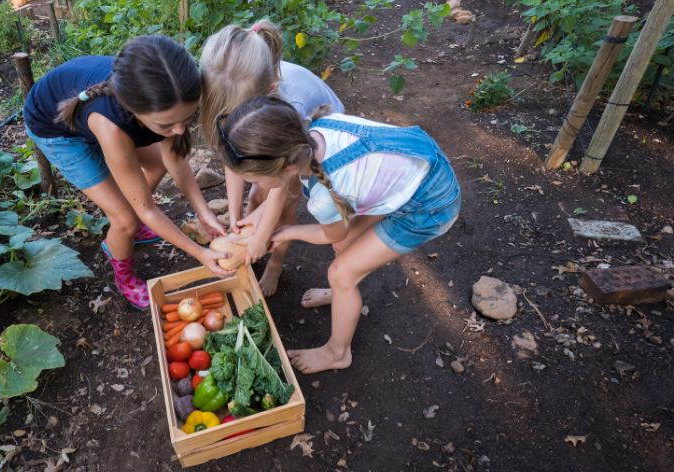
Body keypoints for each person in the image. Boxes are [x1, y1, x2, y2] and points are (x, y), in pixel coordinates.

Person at [216, 96, 461, 374]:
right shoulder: (311, 135)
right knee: (347, 245)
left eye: (256, 181)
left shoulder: (324, 196)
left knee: (341, 273)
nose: (256, 187)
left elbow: (330, 234)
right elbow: (284, 187)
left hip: (427, 204)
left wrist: (285, 232)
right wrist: (257, 221)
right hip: (415, 165)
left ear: (287, 167)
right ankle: (341, 295)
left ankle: (337, 352)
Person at [24, 35, 231, 310]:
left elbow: (175, 162)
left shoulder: (165, 98)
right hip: (55, 129)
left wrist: (204, 213)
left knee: (155, 165)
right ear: (136, 111)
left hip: (92, 116)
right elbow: (149, 210)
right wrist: (200, 253)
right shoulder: (113, 128)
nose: (180, 130)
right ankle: (124, 275)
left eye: (188, 118)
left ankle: (129, 220)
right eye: (167, 125)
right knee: (125, 219)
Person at [199, 19, 344, 296]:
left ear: (269, 92)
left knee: (282, 208)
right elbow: (233, 159)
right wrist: (234, 214)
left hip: (310, 141)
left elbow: (284, 188)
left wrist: (264, 233)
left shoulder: (291, 106)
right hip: (274, 143)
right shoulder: (235, 88)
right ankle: (252, 243)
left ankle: (275, 264)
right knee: (255, 199)